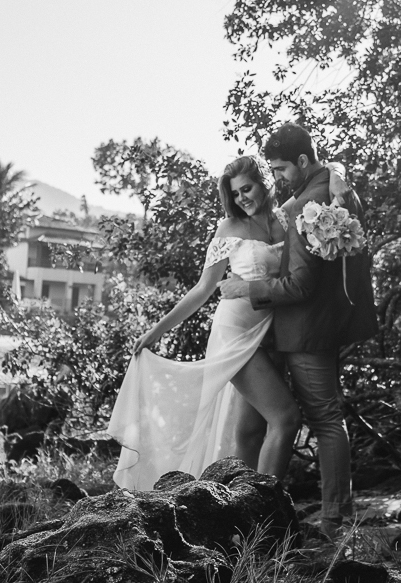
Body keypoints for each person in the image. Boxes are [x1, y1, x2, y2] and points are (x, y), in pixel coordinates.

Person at [106, 155, 302, 490]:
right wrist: (156, 331)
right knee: (285, 418)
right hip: (234, 334)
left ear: (264, 183)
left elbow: (324, 179)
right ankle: (266, 510)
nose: (241, 198)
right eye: (235, 193)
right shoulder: (229, 228)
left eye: (247, 188)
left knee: (249, 433)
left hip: (272, 332)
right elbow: (202, 289)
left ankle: (236, 514)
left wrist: (338, 176)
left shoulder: (285, 218)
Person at [220, 123, 378, 536]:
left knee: (324, 419)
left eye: (281, 170)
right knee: (258, 426)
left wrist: (245, 288)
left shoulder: (305, 208)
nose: (277, 179)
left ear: (304, 162)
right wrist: (338, 168)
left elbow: (300, 284)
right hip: (316, 326)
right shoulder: (339, 187)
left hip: (305, 330)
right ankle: (253, 511)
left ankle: (330, 520)